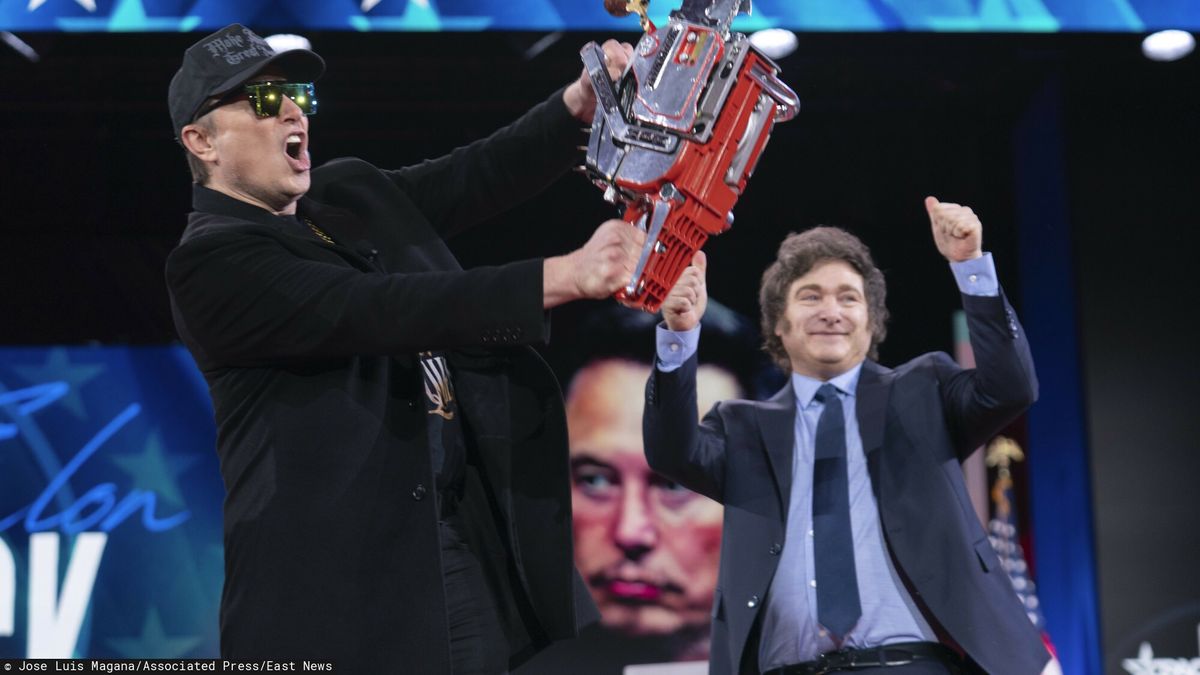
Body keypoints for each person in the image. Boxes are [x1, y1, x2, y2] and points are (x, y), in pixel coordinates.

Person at [164, 23, 643, 674]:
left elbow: (473, 176)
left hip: (445, 549)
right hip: (331, 593)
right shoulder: (209, 264)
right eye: (264, 101)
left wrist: (575, 107)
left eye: (297, 93)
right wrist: (562, 276)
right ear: (202, 141)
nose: (294, 110)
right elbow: (384, 309)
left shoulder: (344, 198)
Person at [643, 198, 1054, 674]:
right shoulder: (742, 428)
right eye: (811, 296)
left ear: (871, 320)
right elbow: (672, 451)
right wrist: (678, 338)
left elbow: (1011, 387)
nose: (830, 311)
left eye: (848, 297)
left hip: (910, 665)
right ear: (779, 321)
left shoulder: (924, 390)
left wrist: (970, 267)